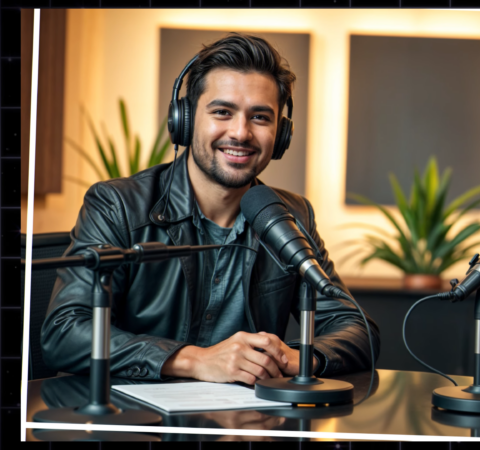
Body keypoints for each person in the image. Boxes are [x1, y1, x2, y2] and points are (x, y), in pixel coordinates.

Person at [41, 33, 380, 384]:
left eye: (260, 117)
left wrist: (297, 358)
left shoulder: (291, 216)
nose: (241, 132)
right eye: (222, 112)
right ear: (184, 120)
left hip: (247, 426)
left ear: (280, 135)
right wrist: (194, 360)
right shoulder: (118, 206)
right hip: (135, 420)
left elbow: (356, 329)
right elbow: (64, 332)